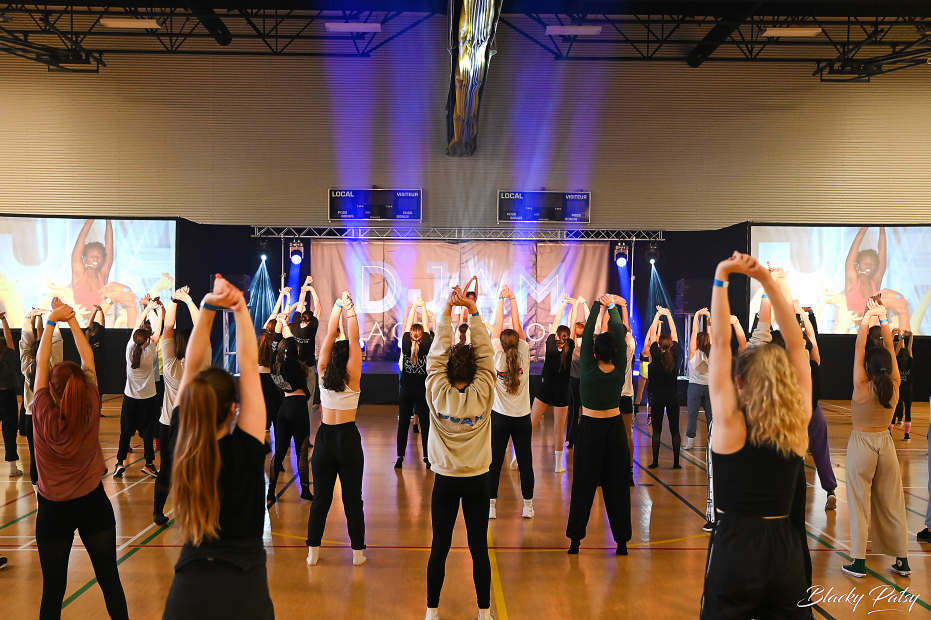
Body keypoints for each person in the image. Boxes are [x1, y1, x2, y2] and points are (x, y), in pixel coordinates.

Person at [701, 252, 812, 618]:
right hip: (785, 551)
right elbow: (797, 345)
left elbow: (719, 342)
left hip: (735, 550)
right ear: (786, 381)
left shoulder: (731, 426)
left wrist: (722, 275)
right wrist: (768, 282)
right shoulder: (797, 423)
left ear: (739, 382)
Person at [162, 275, 273, 619]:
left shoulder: (183, 440)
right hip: (244, 592)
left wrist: (209, 305)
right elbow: (250, 370)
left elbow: (192, 365)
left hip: (188, 594)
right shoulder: (246, 448)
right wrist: (239, 308)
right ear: (231, 409)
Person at [33, 298, 129, 620]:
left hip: (52, 512)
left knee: (52, 592)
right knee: (110, 582)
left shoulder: (42, 410)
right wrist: (73, 320)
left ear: (51, 389)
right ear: (80, 385)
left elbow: (42, 360)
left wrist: (51, 322)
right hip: (93, 505)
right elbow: (88, 358)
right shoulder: (90, 402)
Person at [422, 286, 495, 620]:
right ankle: (483, 612)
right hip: (478, 480)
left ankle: (431, 611)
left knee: (440, 547)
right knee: (478, 547)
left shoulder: (436, 390)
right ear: (475, 370)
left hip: (445, 482)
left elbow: (435, 354)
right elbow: (486, 354)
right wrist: (472, 311)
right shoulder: (485, 392)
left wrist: (448, 311)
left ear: (449, 370)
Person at [842, 298, 910, 579]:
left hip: (862, 444)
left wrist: (868, 316)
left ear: (868, 368)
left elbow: (859, 347)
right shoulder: (894, 386)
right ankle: (903, 561)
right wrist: (883, 320)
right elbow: (892, 356)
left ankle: (858, 562)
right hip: (886, 443)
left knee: (859, 502)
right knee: (893, 502)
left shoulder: (861, 387)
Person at [566, 294, 631, 555]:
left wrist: (597, 306)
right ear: (615, 351)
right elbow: (619, 332)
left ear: (593, 353)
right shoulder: (619, 367)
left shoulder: (588, 368)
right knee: (617, 486)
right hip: (615, 430)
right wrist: (613, 308)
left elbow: (591, 328)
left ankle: (575, 541)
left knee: (584, 484)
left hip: (590, 430)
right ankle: (622, 542)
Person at [306, 292, 366, 566]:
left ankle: (313, 553)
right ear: (349, 357)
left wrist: (337, 307)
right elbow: (353, 340)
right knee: (353, 500)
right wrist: (350, 309)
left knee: (321, 499)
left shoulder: (322, 370)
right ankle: (357, 554)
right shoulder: (352, 374)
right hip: (348, 440)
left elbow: (330, 333)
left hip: (325, 439)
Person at [153, 286, 210, 526]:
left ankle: (158, 512)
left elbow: (167, 327)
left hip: (168, 424)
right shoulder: (201, 362)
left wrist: (173, 300)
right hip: (194, 424)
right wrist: (188, 300)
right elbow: (202, 327)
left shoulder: (169, 364)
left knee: (166, 467)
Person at [488, 285, 534, 519]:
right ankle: (527, 505)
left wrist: (500, 299)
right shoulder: (524, 350)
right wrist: (513, 298)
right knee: (525, 462)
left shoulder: (497, 354)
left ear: (502, 344)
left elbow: (498, 328)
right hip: (522, 419)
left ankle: (491, 506)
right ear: (517, 343)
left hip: (499, 419)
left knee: (494, 463)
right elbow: (518, 326)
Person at [114, 296, 163, 478]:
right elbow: (158, 328)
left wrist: (146, 309)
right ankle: (149, 464)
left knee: (125, 431)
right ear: (147, 341)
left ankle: (119, 463)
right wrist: (155, 310)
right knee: (148, 432)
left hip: (130, 399)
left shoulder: (129, 349)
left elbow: (137, 324)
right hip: (148, 399)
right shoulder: (150, 353)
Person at [267, 311, 313, 502]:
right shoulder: (289, 365)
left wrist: (280, 323)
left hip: (284, 409)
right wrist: (286, 326)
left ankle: (270, 490)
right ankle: (305, 490)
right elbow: (291, 346)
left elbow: (275, 342)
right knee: (302, 450)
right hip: (297, 408)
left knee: (279, 451)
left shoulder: (273, 365)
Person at [798, 305, 838, 510]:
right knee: (821, 451)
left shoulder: (790, 361)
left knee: (791, 453)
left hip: (796, 413)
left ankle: (789, 495)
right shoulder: (814, 360)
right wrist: (803, 314)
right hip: (814, 411)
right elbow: (812, 336)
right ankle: (830, 490)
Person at [530, 295, 574, 473]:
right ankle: (557, 466)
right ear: (568, 337)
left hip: (545, 388)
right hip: (562, 393)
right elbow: (568, 328)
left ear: (556, 335)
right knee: (558, 429)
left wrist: (563, 304)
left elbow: (556, 324)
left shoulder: (549, 344)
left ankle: (518, 456)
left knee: (531, 424)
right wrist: (574, 306)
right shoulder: (570, 347)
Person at [21, 310, 63, 486]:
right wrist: (53, 317)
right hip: (49, 418)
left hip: (31, 418)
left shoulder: (27, 367)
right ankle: (53, 491)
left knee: (34, 456)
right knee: (53, 456)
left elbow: (24, 344)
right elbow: (57, 341)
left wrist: (27, 319)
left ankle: (39, 495)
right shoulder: (54, 367)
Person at [845, 227, 910, 330]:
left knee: (894, 300)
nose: (868, 266)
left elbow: (882, 250)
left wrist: (882, 227)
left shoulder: (875, 280)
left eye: (872, 263)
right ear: (858, 265)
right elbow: (855, 247)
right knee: (884, 298)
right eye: (865, 263)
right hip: (850, 330)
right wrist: (865, 227)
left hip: (872, 331)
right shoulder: (852, 279)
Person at [397, 297, 433, 469]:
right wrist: (423, 307)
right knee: (425, 424)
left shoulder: (405, 344)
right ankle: (426, 457)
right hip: (422, 392)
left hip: (405, 391)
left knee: (403, 423)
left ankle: (399, 457)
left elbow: (407, 325)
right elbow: (426, 327)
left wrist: (414, 307)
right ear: (422, 336)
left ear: (410, 335)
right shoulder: (427, 343)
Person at [648, 306, 681, 470]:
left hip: (657, 398)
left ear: (659, 345)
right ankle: (676, 463)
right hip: (673, 397)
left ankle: (655, 461)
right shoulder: (674, 353)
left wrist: (657, 315)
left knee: (657, 431)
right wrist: (668, 315)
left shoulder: (654, 353)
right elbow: (674, 333)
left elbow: (653, 332)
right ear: (670, 345)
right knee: (675, 431)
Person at [258, 287, 290, 433]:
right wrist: (286, 297)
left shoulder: (263, 335)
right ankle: (276, 426)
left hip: (259, 374)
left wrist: (281, 296)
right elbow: (281, 318)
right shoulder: (277, 339)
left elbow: (273, 314)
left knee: (263, 401)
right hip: (272, 375)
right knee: (275, 402)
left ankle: (264, 426)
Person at [685, 308, 712, 451]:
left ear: (696, 342)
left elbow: (694, 331)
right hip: (709, 387)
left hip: (695, 386)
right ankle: (712, 442)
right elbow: (710, 331)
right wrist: (708, 316)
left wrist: (696, 315)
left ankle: (690, 442)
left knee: (692, 414)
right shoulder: (711, 351)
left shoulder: (693, 353)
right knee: (711, 415)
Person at [0, 311, 21, 476]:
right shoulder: (9, 359)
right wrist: (3, 320)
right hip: (8, 397)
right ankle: (12, 468)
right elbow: (9, 340)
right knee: (9, 431)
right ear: (5, 350)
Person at [891, 329, 913, 442]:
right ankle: (907, 435)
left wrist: (902, 336)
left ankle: (890, 433)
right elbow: (908, 349)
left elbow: (898, 350)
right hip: (908, 390)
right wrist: (910, 336)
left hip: (898, 390)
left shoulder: (896, 361)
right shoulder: (910, 362)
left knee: (894, 410)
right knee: (908, 411)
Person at [85, 305, 107, 395]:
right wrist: (100, 311)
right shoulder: (98, 336)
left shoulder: (87, 336)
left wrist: (95, 311)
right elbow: (103, 323)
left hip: (93, 364)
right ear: (97, 329)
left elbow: (90, 324)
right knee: (98, 383)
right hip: (98, 364)